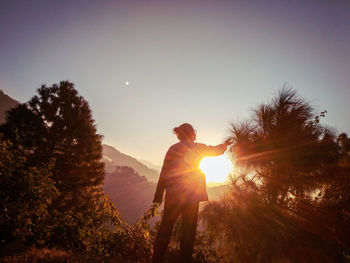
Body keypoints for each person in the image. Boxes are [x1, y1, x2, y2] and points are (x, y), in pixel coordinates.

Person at [152, 123, 231, 263]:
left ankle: (156, 259)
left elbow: (164, 173)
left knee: (165, 229)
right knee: (188, 233)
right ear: (190, 133)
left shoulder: (173, 149)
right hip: (191, 196)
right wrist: (224, 145)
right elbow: (214, 150)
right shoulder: (197, 148)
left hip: (173, 196)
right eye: (194, 131)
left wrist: (158, 198)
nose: (196, 133)